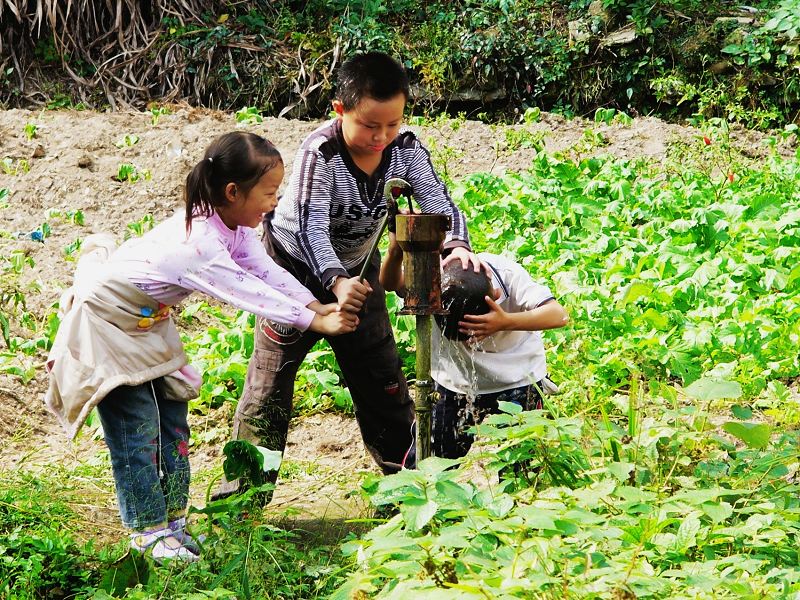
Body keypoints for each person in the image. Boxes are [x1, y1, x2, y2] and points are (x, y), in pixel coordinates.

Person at [44, 131, 356, 562]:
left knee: (173, 420)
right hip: (106, 323)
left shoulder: (234, 225)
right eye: (269, 193)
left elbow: (263, 270)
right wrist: (317, 319)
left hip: (147, 323)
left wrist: (313, 302)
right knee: (137, 427)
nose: (274, 202)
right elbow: (246, 293)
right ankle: (146, 532)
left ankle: (174, 523)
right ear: (233, 191)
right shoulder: (198, 244)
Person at [218, 51, 481, 500]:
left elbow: (438, 202)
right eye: (369, 125)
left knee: (384, 380)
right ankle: (241, 503)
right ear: (340, 111)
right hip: (290, 273)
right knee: (269, 387)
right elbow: (307, 225)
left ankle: (408, 492)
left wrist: (456, 244)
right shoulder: (320, 153)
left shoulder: (407, 149)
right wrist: (336, 283)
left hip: (360, 270)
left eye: (392, 124)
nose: (382, 137)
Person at [380, 235, 569, 459]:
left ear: (496, 296)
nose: (470, 342)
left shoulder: (507, 275)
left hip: (518, 378)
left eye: (475, 333)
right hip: (455, 381)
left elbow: (559, 315)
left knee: (522, 463)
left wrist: (506, 321)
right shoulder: (433, 280)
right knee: (431, 460)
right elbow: (392, 283)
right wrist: (394, 251)